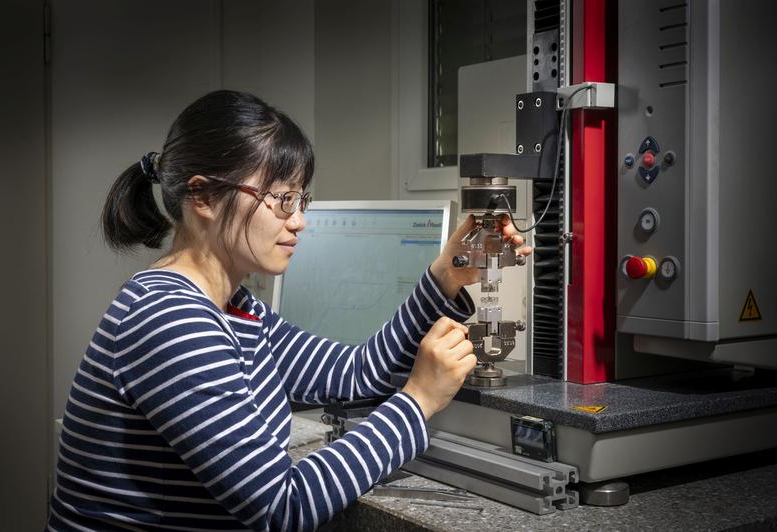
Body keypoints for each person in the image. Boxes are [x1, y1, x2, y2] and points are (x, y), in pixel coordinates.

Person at [47, 90, 530, 531]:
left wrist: (447, 274)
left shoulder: (235, 308)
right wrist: (418, 402)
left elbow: (355, 373)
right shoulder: (171, 319)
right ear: (202, 196)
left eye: (300, 199)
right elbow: (281, 506)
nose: (299, 221)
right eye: (280, 200)